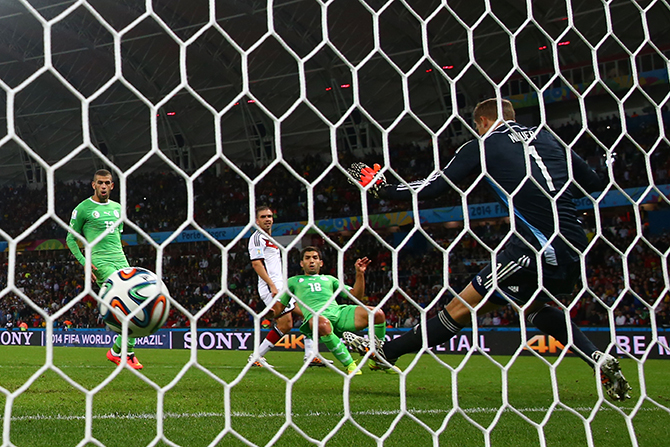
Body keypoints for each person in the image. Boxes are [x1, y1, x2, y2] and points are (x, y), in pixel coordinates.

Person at [343, 98, 631, 401]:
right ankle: (598, 359)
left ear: (482, 122)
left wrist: (382, 188)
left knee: (459, 308)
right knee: (531, 309)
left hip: (534, 247)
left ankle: (388, 351)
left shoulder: (481, 146)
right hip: (574, 244)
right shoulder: (548, 137)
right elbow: (593, 182)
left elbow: (434, 187)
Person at [66, 169, 143, 370]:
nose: (103, 186)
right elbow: (70, 239)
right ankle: (126, 353)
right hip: (101, 264)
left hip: (122, 261)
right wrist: (85, 262)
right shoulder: (83, 209)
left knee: (138, 304)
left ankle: (118, 351)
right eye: (99, 182)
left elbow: (116, 237)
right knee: (128, 303)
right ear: (93, 185)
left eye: (106, 183)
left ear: (112, 186)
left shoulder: (118, 208)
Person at [274, 246, 390, 375]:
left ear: (321, 263)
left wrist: (360, 273)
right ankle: (350, 365)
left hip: (339, 314)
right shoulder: (292, 282)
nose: (311, 261)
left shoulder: (330, 279)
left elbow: (356, 296)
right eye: (307, 258)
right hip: (317, 320)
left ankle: (377, 359)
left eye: (315, 258)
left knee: (377, 313)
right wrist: (268, 312)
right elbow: (279, 308)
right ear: (302, 263)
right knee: (321, 323)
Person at [247, 206, 324, 368]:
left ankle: (310, 355)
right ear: (256, 220)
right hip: (272, 287)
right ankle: (256, 356)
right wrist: (272, 285)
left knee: (305, 315)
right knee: (289, 322)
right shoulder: (257, 238)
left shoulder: (270, 239)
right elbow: (256, 263)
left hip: (282, 286)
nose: (267, 219)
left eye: (269, 216)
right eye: (263, 217)